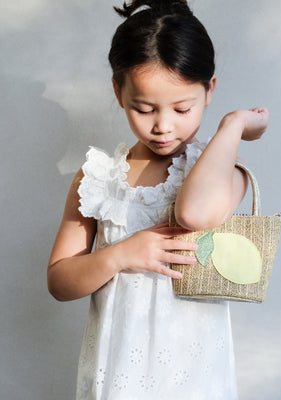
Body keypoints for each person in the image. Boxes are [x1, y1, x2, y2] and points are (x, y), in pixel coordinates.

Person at [47, 0, 269, 398]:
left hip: (192, 377)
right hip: (117, 373)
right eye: (144, 108)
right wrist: (119, 254)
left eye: (183, 108)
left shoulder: (216, 171)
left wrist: (233, 125)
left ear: (209, 90)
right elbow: (60, 281)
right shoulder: (98, 177)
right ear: (118, 91)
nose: (163, 126)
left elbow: (194, 214)